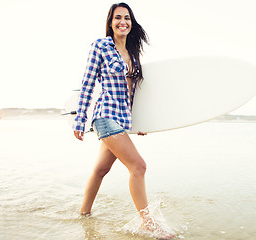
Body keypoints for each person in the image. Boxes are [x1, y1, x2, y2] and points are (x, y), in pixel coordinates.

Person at [73, 3, 175, 239]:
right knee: (138, 166)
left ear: (131, 22)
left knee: (100, 171)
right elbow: (88, 83)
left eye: (127, 18)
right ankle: (148, 224)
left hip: (121, 119)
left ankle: (83, 215)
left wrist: (139, 124)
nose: (123, 22)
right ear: (110, 22)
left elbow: (132, 95)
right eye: (118, 18)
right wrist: (80, 119)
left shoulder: (132, 54)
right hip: (105, 115)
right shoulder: (101, 46)